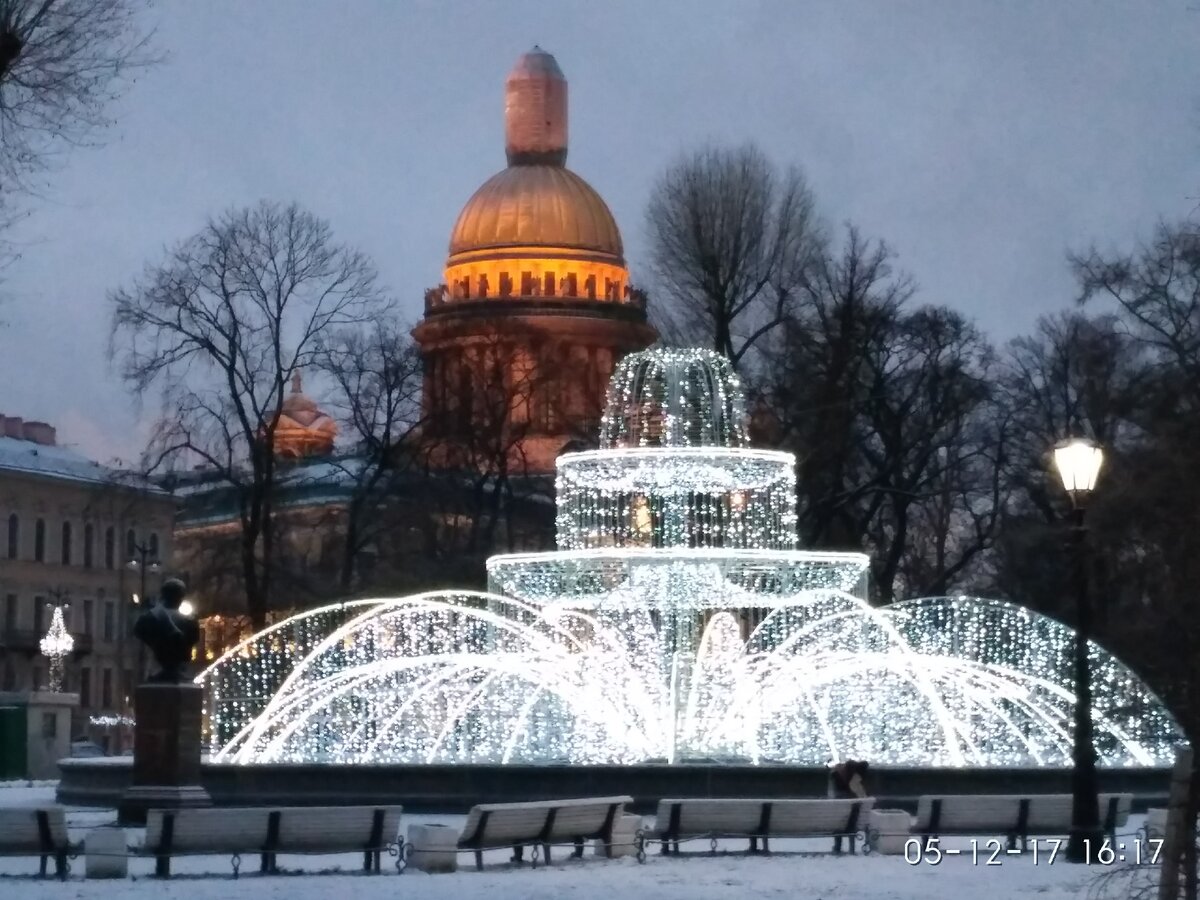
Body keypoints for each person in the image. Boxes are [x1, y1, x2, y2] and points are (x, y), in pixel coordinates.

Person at [828, 759, 870, 853]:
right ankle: (851, 848)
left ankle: (837, 847)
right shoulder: (855, 783)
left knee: (837, 823)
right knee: (848, 819)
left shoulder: (837, 778)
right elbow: (858, 791)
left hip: (838, 823)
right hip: (850, 825)